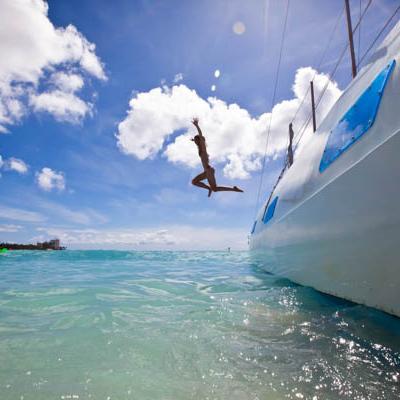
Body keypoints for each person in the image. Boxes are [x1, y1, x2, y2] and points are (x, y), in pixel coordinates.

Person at [190, 118, 243, 197]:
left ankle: (230, 189)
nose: (196, 142)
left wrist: (197, 126)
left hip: (208, 170)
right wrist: (193, 140)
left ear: (200, 141)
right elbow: (198, 140)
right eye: (195, 141)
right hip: (207, 172)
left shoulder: (203, 148)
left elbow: (200, 135)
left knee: (203, 185)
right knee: (201, 184)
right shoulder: (200, 149)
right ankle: (231, 189)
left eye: (196, 141)